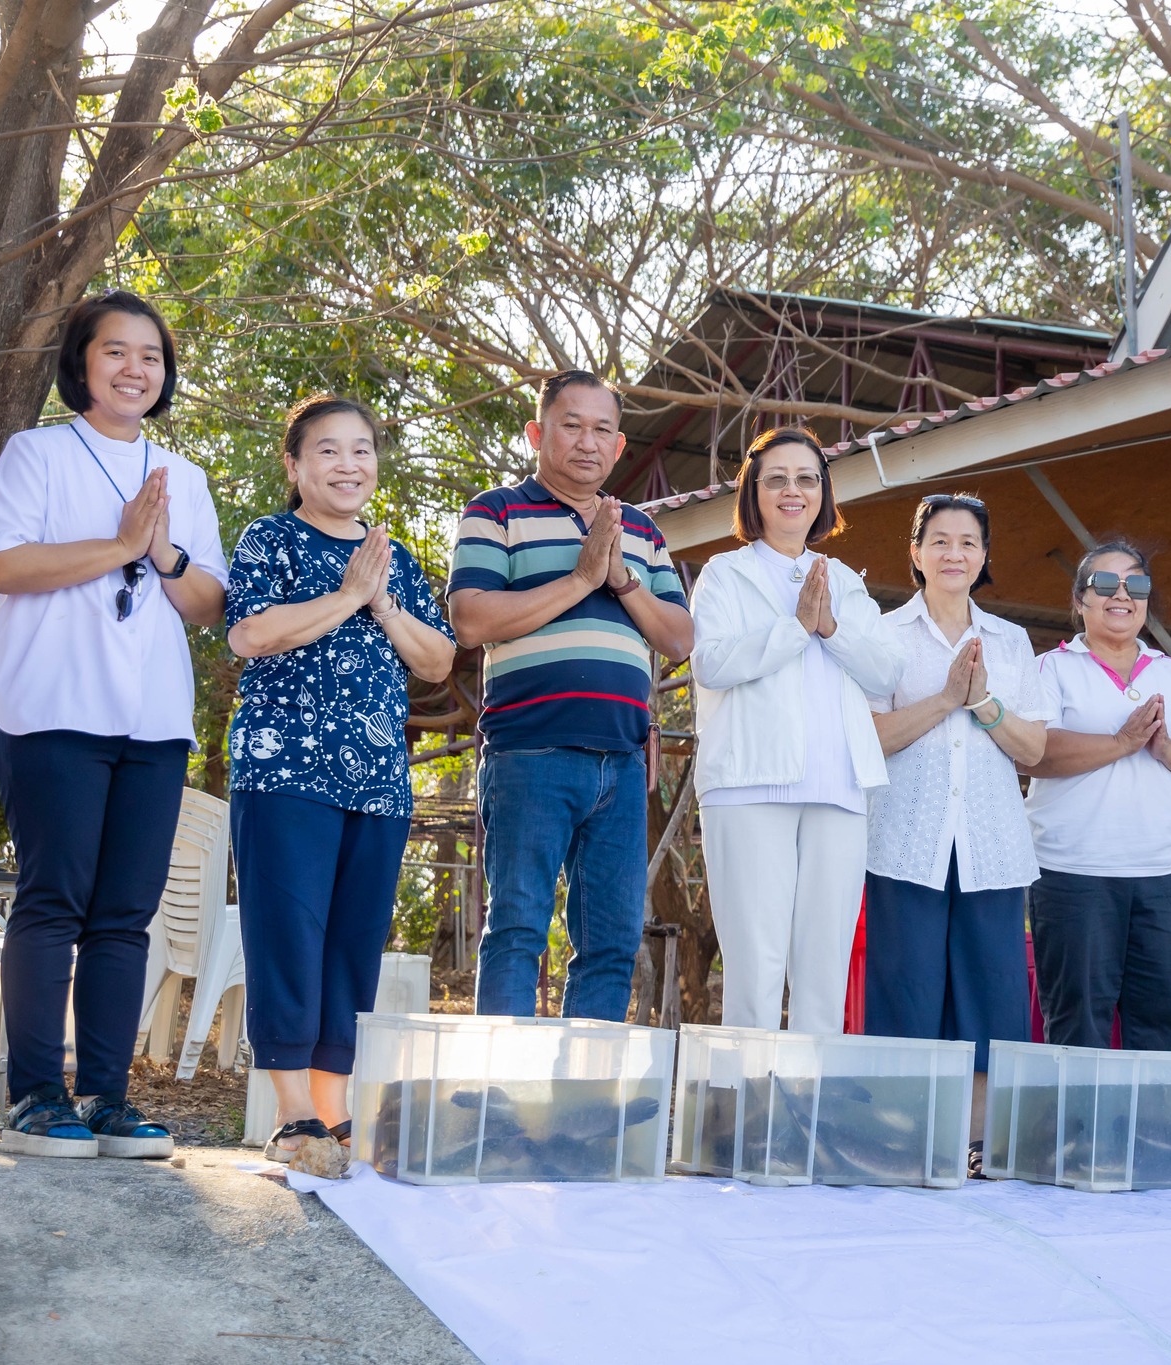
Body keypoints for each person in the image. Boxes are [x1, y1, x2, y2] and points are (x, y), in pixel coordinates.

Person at [0, 289, 229, 1158]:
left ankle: (107, 1099)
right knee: (55, 900)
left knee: (125, 915)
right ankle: (38, 1096)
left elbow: (206, 605)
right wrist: (119, 547)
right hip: (50, 709)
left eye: (150, 355)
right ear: (81, 361)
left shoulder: (183, 479)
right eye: (116, 351)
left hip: (152, 721)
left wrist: (162, 552)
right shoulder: (37, 453)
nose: (135, 368)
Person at [225, 395, 456, 1160]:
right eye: (328, 450)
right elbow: (251, 632)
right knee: (288, 933)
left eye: (362, 449)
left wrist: (381, 602)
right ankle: (292, 1110)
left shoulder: (392, 558)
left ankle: (332, 1103)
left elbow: (438, 660)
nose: (349, 464)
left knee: (353, 943)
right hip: (285, 770)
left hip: (379, 781)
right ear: (294, 466)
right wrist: (349, 596)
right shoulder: (273, 538)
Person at [449, 371, 693, 1020]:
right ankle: (496, 1104)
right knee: (519, 929)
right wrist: (584, 577)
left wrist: (622, 581)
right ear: (538, 432)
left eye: (602, 429)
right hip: (530, 753)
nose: (587, 441)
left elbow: (678, 639)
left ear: (618, 447)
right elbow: (471, 620)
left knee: (611, 942)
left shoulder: (641, 529)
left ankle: (582, 1112)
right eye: (571, 424)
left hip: (620, 762)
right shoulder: (495, 511)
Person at [690, 426, 901, 1033]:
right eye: (776, 478)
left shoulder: (846, 582)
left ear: (823, 493)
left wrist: (830, 626)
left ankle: (810, 1117)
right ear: (753, 492)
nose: (792, 491)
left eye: (806, 479)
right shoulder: (725, 575)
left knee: (824, 969)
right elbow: (711, 662)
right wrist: (795, 628)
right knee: (756, 966)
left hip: (839, 790)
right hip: (750, 786)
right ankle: (745, 1117)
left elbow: (887, 671)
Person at [864, 494, 1051, 1165]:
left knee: (990, 993)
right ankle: (900, 1141)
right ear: (915, 553)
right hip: (904, 842)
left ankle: (977, 1146)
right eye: (938, 541)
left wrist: (983, 703)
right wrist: (945, 699)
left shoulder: (1010, 640)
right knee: (905, 989)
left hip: (991, 846)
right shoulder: (883, 634)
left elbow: (1033, 749)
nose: (953, 553)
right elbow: (868, 737)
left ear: (984, 556)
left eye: (967, 542)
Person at [1023, 541, 1171, 1053]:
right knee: (1077, 1024)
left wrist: (1163, 748)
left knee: (1167, 1022)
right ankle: (1077, 1136)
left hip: (1164, 875)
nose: (1122, 595)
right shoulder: (1049, 669)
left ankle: (1158, 1136)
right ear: (1079, 601)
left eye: (1136, 585)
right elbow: (1033, 753)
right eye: (1105, 584)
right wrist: (1121, 744)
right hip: (1072, 874)